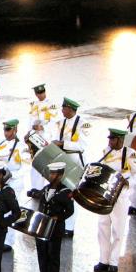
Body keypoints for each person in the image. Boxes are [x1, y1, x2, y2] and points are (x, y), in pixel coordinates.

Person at [93, 128, 136, 272]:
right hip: (105, 194)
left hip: (120, 196)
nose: (110, 142)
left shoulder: (130, 154)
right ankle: (103, 260)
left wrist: (128, 184)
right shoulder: (106, 152)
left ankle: (113, 262)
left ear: (120, 140)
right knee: (103, 227)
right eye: (109, 139)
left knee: (118, 229)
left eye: (113, 139)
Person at [31, 162, 74, 272]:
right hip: (43, 226)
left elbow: (70, 210)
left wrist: (58, 217)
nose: (51, 176)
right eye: (51, 173)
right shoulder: (45, 189)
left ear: (60, 175)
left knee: (53, 253)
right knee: (42, 252)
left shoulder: (66, 192)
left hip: (55, 228)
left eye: (55, 173)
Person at [0, 119, 31, 251]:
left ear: (15, 130)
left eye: (8, 130)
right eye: (4, 130)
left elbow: (26, 167)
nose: (5, 133)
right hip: (0, 182)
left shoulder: (21, 148)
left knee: (12, 211)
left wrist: (11, 175)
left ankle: (9, 241)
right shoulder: (1, 145)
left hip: (14, 182)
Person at [52, 97, 86, 237]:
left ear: (71, 109)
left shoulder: (83, 124)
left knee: (71, 195)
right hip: (62, 160)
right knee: (59, 193)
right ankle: (60, 222)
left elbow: (82, 146)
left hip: (75, 161)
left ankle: (70, 227)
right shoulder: (61, 123)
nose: (62, 110)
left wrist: (63, 144)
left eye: (64, 108)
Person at [28, 83, 58, 189]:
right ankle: (36, 187)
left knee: (45, 162)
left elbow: (54, 121)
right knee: (35, 163)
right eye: (38, 93)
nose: (40, 95)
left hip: (46, 137)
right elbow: (30, 120)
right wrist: (29, 133)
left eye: (42, 92)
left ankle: (46, 186)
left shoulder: (51, 104)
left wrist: (43, 128)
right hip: (35, 137)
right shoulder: (34, 104)